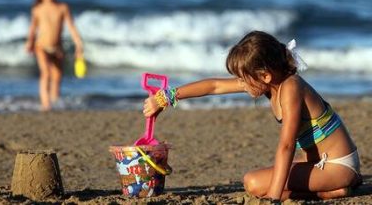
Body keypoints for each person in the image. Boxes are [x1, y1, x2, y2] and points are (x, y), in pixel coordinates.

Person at [143, 31, 362, 202]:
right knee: (259, 182)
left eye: (244, 79)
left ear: (265, 75)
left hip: (337, 165)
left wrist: (274, 199)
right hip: (315, 161)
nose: (241, 83)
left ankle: (331, 190)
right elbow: (215, 86)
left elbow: (286, 146)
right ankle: (329, 190)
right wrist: (166, 97)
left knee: (254, 183)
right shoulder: (270, 83)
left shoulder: (291, 88)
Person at [25, 0, 83, 111]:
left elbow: (71, 27)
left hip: (57, 48)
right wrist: (30, 42)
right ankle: (46, 104)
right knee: (45, 73)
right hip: (41, 46)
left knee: (57, 76)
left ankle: (54, 100)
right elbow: (33, 28)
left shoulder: (62, 8)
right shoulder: (37, 9)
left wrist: (78, 44)